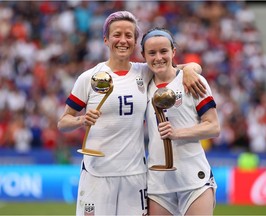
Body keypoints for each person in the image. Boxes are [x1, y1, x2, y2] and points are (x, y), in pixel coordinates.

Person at [57, 11, 206, 215]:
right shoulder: (89, 77)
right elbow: (63, 122)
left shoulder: (143, 71)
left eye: (129, 35)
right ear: (106, 39)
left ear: (136, 41)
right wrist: (81, 120)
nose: (123, 40)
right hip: (97, 173)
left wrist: (190, 68)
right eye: (117, 34)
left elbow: (173, 68)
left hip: (135, 175)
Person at [141, 27, 220, 215]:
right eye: (152, 53)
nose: (158, 57)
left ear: (173, 52)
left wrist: (177, 133)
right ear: (143, 56)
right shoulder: (141, 85)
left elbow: (213, 127)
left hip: (194, 179)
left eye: (164, 51)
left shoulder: (193, 81)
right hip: (158, 182)